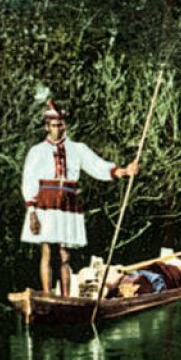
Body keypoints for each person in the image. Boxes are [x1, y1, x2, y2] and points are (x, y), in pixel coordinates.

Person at [21, 100, 139, 296]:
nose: (57, 129)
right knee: (47, 252)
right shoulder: (37, 151)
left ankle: (66, 297)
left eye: (60, 125)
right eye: (53, 126)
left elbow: (97, 166)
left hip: (68, 203)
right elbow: (29, 181)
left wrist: (124, 171)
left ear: (64, 125)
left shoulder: (77, 149)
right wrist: (32, 211)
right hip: (45, 203)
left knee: (64, 254)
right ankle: (48, 294)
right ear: (46, 127)